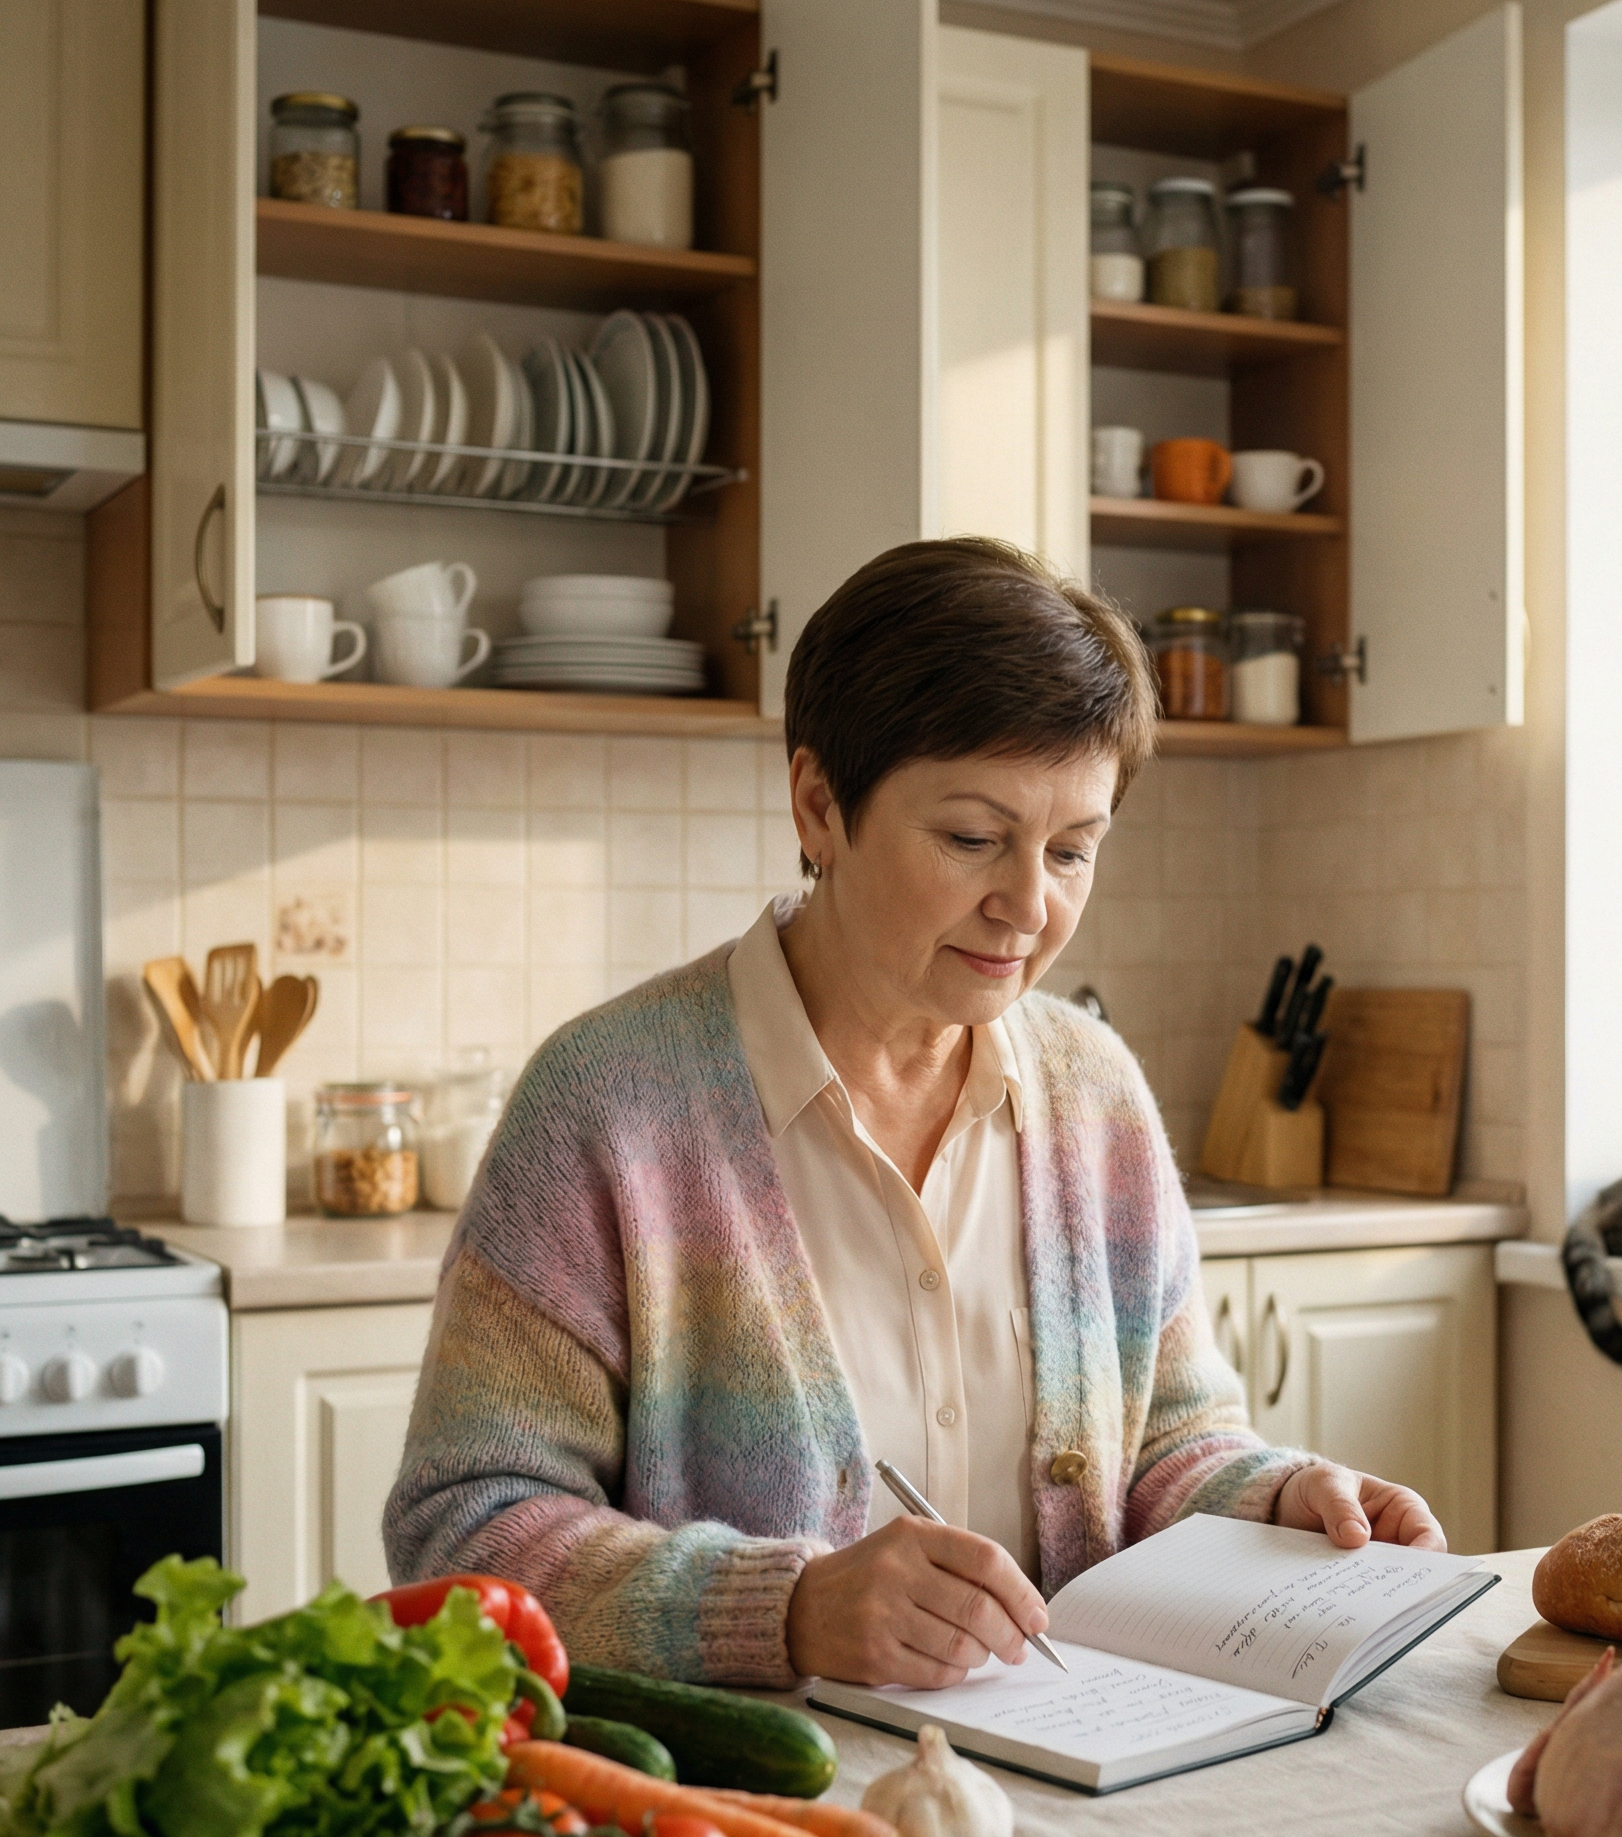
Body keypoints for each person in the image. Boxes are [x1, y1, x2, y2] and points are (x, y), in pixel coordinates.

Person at [385, 537, 1443, 1692]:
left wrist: (1274, 1497)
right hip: (752, 1819)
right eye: (971, 838)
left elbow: (1169, 1449)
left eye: (1073, 849)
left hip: (1079, 1786)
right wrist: (785, 1612)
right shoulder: (607, 1107)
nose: (1028, 906)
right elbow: (461, 1530)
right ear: (819, 805)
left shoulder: (1096, 1098)